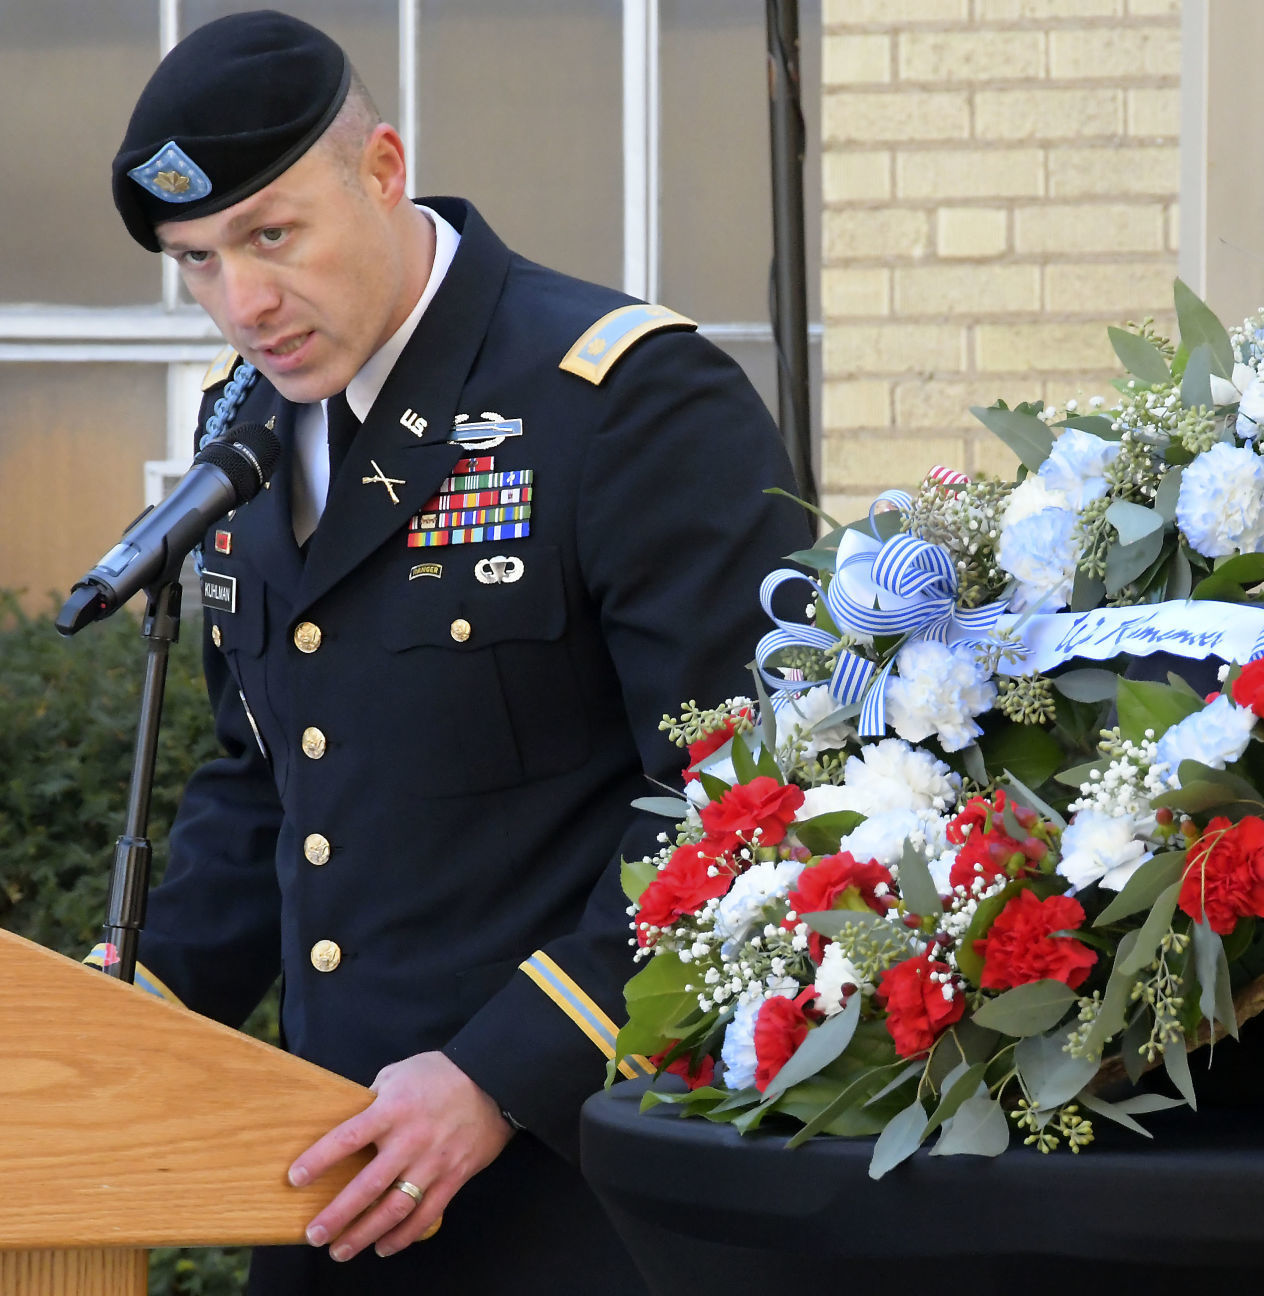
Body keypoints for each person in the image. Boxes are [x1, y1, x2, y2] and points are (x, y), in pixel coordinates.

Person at [95, 10, 812, 1292]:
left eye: (271, 235)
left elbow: (741, 800)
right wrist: (137, 1001)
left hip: (586, 1192)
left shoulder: (622, 397)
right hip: (332, 1187)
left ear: (382, 169)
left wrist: (500, 1070)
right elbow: (268, 775)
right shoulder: (245, 431)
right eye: (196, 261)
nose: (241, 302)